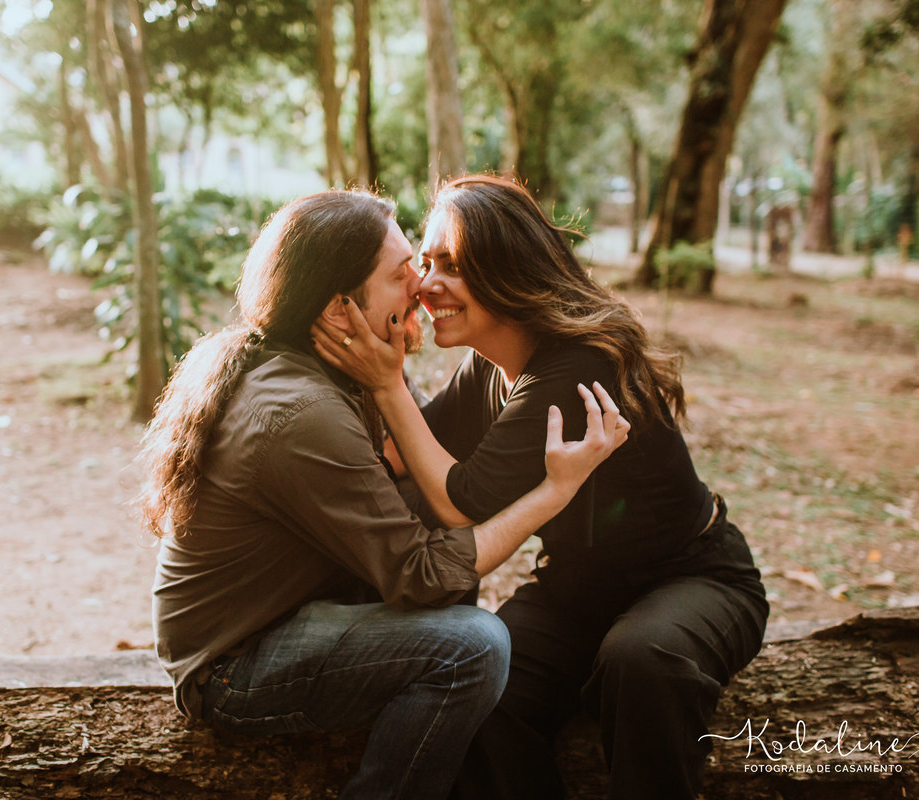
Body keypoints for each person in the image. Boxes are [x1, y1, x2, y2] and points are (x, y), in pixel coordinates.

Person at [139, 189, 630, 800]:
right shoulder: (300, 412)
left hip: (308, 610)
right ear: (340, 310)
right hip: (236, 665)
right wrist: (556, 490)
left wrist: (398, 380)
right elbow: (424, 573)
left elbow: (431, 478)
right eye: (404, 274)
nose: (421, 288)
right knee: (473, 648)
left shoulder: (339, 371)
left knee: (438, 531)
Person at [312, 175, 770, 800]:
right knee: (483, 685)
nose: (426, 284)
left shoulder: (579, 365)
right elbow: (400, 455)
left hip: (696, 579)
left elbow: (455, 499)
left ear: (506, 270)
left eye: (450, 264)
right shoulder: (492, 366)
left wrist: (390, 384)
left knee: (640, 659)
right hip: (575, 592)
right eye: (424, 263)